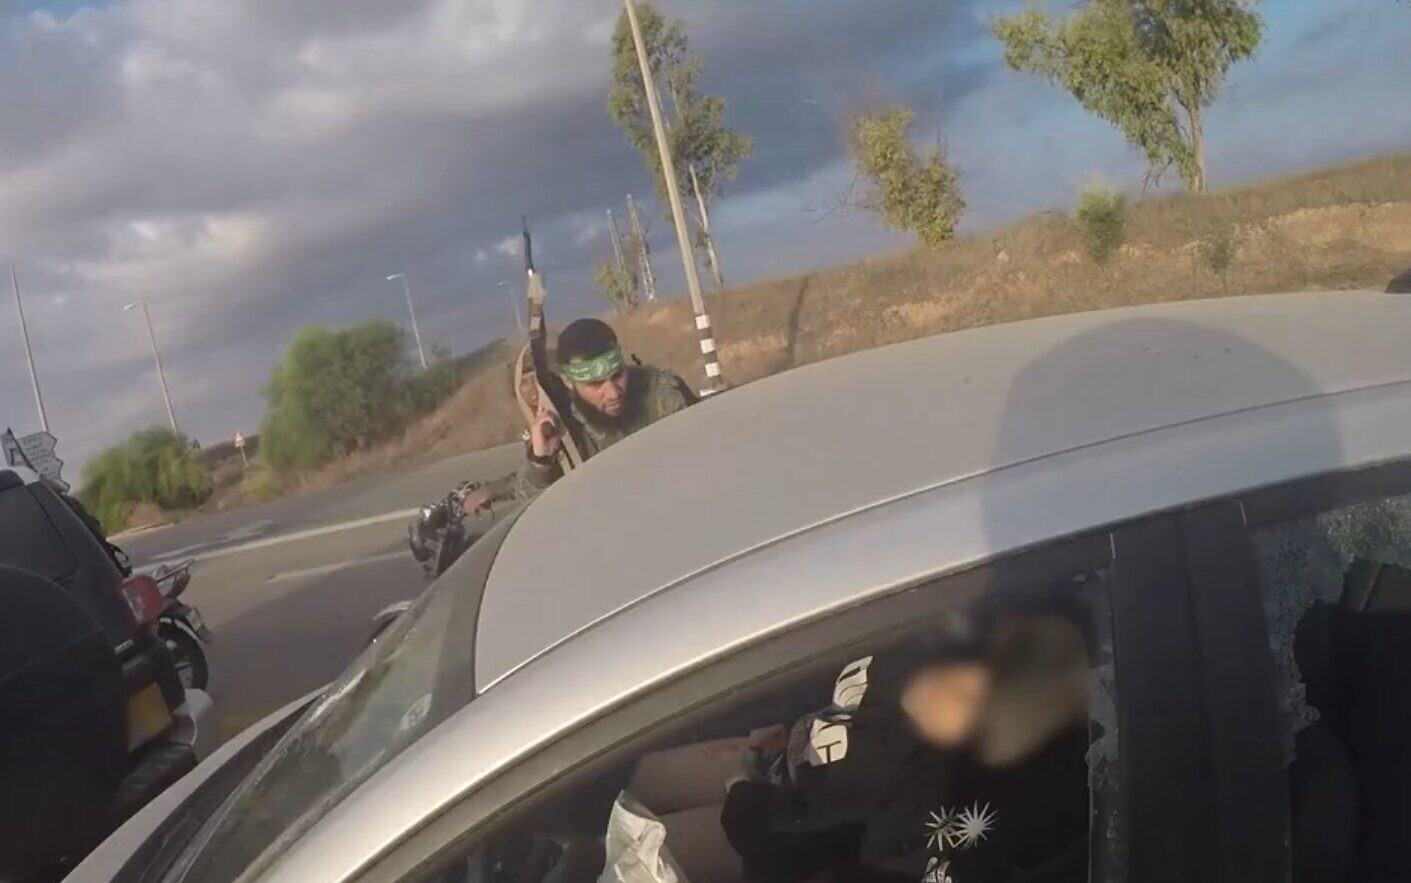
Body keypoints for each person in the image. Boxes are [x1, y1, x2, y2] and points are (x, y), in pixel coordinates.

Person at [722, 621, 1089, 883]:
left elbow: (780, 842)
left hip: (792, 818)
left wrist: (747, 776)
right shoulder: (914, 670)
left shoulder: (914, 778)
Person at [519, 318, 696, 495]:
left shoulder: (663, 395)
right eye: (596, 384)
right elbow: (528, 501)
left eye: (617, 375)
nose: (613, 393)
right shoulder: (564, 428)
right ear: (568, 382)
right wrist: (540, 460)